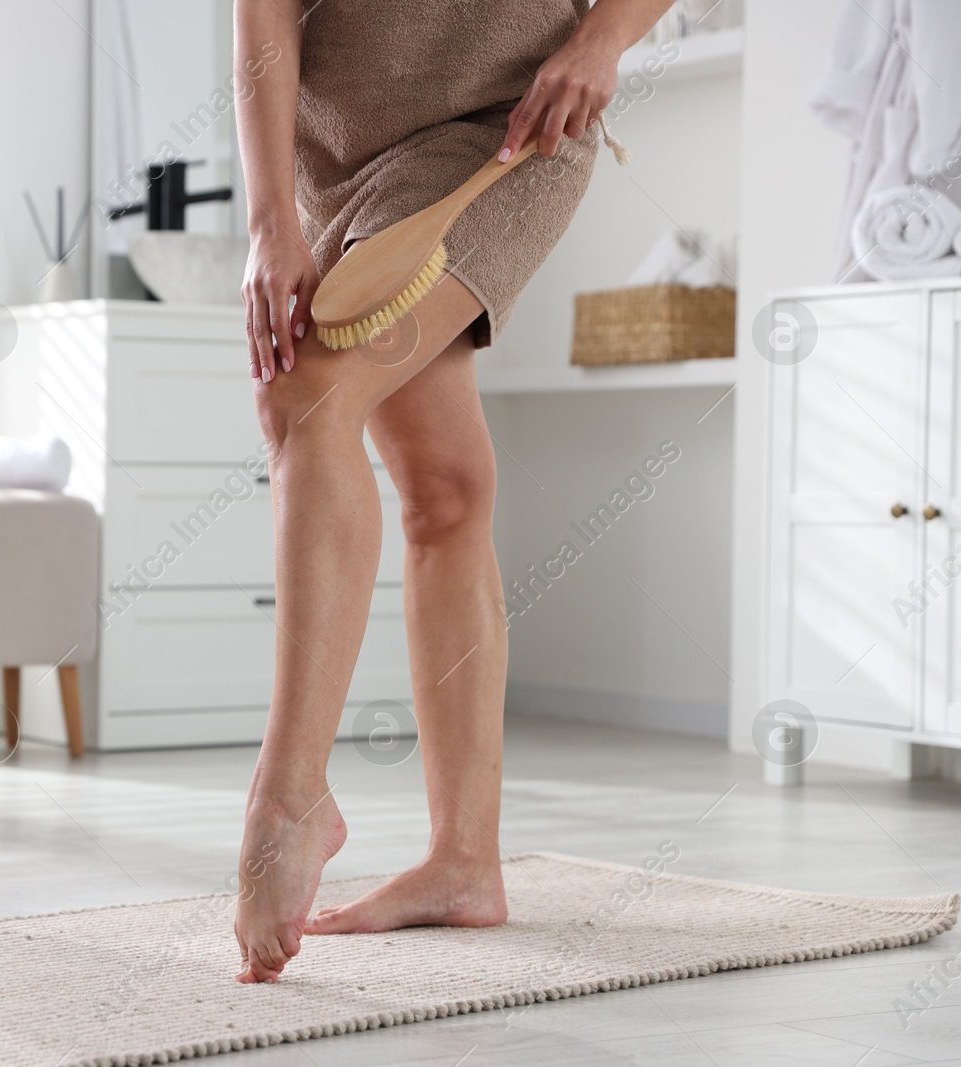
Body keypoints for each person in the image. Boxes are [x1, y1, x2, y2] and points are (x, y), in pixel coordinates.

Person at [231, 0, 677, 984]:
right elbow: (261, 14)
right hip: (337, 165)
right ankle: (464, 862)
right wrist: (269, 222)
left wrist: (600, 38)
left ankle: (289, 793)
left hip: (505, 130)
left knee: (306, 391)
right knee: (443, 490)